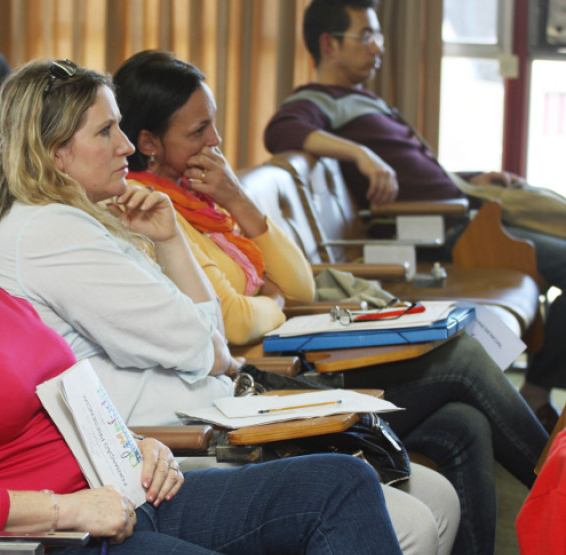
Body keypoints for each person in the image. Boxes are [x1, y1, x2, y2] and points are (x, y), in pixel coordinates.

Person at [0, 90, 403, 554]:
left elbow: (71, 398)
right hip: (56, 534)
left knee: (340, 483)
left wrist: (137, 445)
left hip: (120, 490)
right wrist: (66, 509)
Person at [0, 58, 457, 554]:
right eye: (106, 131)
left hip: (210, 419)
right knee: (409, 518)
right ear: (55, 154)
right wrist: (212, 347)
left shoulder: (90, 217)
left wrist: (171, 242)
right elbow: (204, 345)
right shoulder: (52, 232)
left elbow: (209, 340)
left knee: (435, 496)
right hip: (175, 444)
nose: (125, 145)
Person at [115, 48, 550, 555]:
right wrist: (272, 301)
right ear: (147, 143)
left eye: (213, 125)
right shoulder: (154, 216)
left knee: (464, 425)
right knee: (461, 363)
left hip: (285, 359)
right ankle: (555, 481)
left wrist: (240, 201)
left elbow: (298, 285)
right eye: (198, 131)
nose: (215, 140)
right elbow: (232, 320)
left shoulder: (211, 204)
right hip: (266, 381)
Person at [263, 0, 566, 432]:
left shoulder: (360, 98)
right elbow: (280, 130)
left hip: (465, 212)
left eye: (379, 35)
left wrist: (468, 178)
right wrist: (361, 153)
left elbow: (415, 173)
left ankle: (536, 392)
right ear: (329, 44)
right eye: (366, 36)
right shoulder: (318, 101)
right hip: (443, 232)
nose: (377, 47)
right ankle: (537, 394)